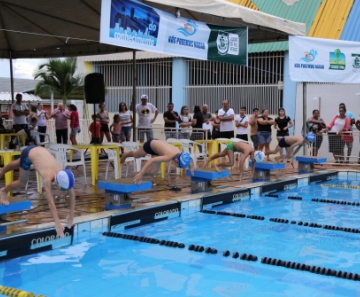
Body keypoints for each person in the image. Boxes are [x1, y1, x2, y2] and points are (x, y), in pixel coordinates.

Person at [0, 146, 75, 237]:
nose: (63, 191)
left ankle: (2, 170)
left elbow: (72, 194)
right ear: (57, 182)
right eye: (63, 189)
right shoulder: (48, 178)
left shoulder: (63, 175)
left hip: (38, 150)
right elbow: (51, 203)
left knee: (18, 163)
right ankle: (3, 191)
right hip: (29, 154)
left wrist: (71, 213)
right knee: (22, 182)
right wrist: (57, 222)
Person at [120, 139, 192, 184]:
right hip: (150, 145)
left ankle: (136, 174)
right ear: (176, 161)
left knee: (154, 172)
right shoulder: (168, 156)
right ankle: (125, 155)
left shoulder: (180, 153)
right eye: (179, 165)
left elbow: (188, 159)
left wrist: (191, 168)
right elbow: (151, 160)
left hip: (158, 151)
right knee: (136, 155)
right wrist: (142, 173)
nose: (178, 167)